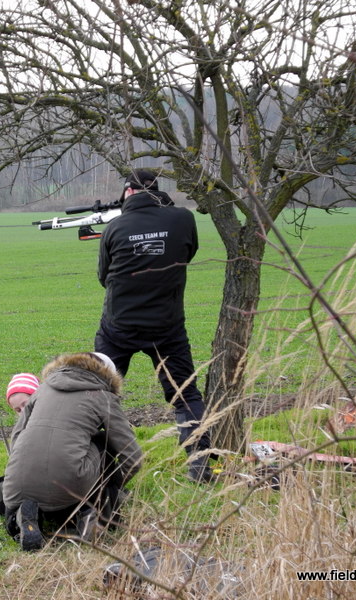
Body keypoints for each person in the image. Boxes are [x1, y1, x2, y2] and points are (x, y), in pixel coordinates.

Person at [94, 168, 213, 483]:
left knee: (98, 394)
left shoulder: (115, 227)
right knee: (186, 395)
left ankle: (96, 469)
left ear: (129, 192)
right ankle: (200, 466)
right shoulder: (184, 219)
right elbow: (187, 254)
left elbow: (104, 277)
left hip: (119, 327)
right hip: (167, 325)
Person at [2, 352, 143, 551]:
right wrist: (116, 486)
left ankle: (26, 515)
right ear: (109, 376)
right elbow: (133, 458)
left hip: (15, 486)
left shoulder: (42, 390)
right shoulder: (104, 397)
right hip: (70, 485)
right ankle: (96, 512)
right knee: (103, 441)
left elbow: (17, 437)